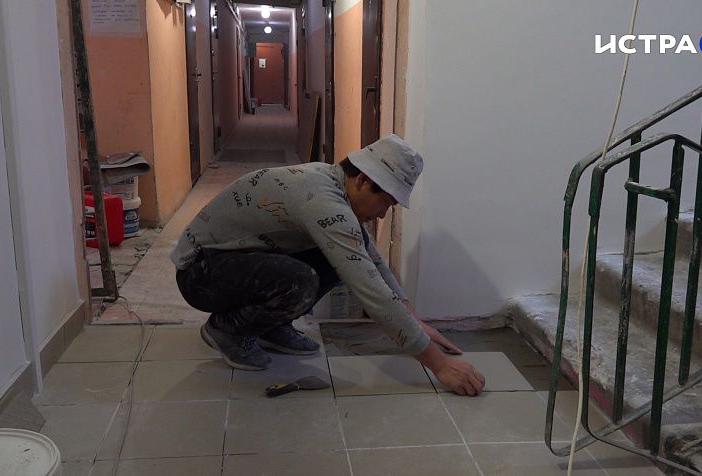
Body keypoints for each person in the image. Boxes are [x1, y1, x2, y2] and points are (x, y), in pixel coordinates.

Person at [171, 134, 486, 396]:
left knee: (334, 259)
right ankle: (227, 330)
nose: (382, 214)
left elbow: (372, 261)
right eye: (386, 202)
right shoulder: (321, 199)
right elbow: (371, 290)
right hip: (200, 273)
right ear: (363, 180)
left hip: (234, 261)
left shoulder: (334, 186)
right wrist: (440, 365)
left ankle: (270, 326)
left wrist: (415, 321)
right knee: (301, 279)